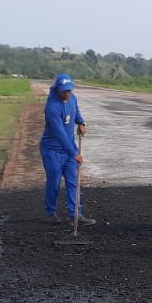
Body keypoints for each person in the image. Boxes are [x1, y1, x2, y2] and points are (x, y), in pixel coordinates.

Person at [40, 73, 93, 226]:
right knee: (54, 183)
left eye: (69, 90)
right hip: (52, 151)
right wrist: (74, 154)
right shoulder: (52, 107)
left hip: (69, 149)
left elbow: (75, 112)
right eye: (64, 91)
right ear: (57, 89)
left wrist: (81, 122)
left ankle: (75, 214)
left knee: (73, 182)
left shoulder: (73, 98)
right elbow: (60, 134)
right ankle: (50, 213)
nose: (67, 94)